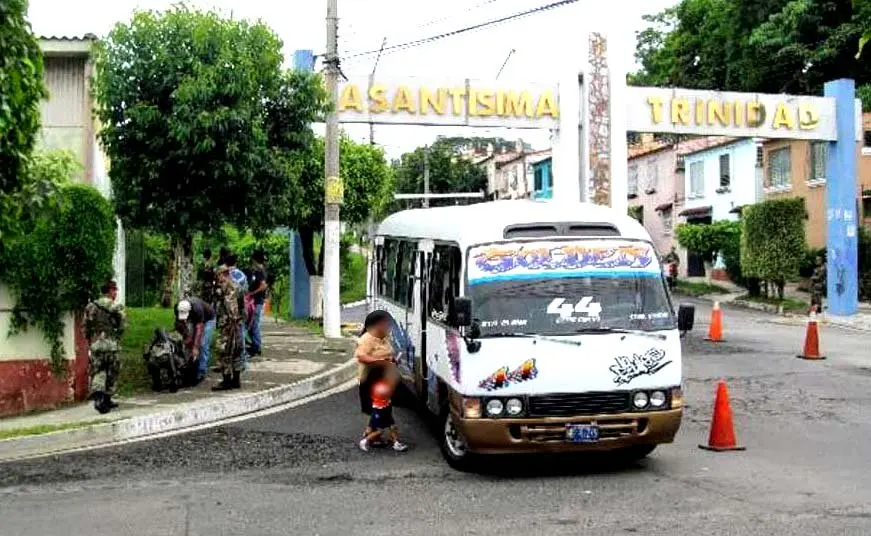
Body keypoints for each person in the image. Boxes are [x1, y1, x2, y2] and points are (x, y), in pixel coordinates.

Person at [355, 310, 400, 440]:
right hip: (370, 379)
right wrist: (380, 361)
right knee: (376, 409)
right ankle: (373, 435)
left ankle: (379, 433)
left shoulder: (384, 337)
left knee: (384, 407)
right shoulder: (367, 339)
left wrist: (393, 360)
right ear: (377, 325)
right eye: (386, 324)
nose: (388, 327)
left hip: (384, 378)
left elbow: (388, 353)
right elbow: (361, 356)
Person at [84, 281, 126, 414]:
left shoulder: (91, 306)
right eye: (115, 291)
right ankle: (107, 398)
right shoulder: (115, 306)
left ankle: (98, 397)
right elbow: (122, 325)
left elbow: (86, 326)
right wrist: (117, 335)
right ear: (110, 291)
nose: (116, 293)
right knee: (112, 371)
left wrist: (89, 340)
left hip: (96, 344)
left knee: (98, 369)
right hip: (111, 345)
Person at [358, 365, 408, 452]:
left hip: (385, 409)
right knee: (380, 431)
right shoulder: (380, 387)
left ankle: (396, 443)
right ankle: (364, 441)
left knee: (393, 427)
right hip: (380, 411)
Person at [213, 265, 244, 391]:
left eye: (218, 276)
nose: (217, 279)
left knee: (224, 351)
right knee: (237, 352)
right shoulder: (237, 285)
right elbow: (242, 306)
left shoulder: (228, 287)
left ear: (222, 274)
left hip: (229, 324)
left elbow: (231, 307)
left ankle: (226, 381)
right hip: (238, 323)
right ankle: (236, 380)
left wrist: (232, 323)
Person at [175, 296, 216, 383]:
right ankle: (190, 364)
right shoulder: (177, 307)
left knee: (203, 344)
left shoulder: (197, 309)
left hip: (208, 319)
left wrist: (195, 347)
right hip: (194, 319)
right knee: (189, 342)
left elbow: (199, 328)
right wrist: (186, 336)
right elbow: (179, 323)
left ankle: (201, 371)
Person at [247, 251, 268, 356]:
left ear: (254, 260)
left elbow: (263, 285)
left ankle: (256, 347)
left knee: (254, 324)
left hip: (257, 301)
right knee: (252, 324)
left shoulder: (260, 271)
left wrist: (252, 293)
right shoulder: (259, 270)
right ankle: (255, 345)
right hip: (256, 301)